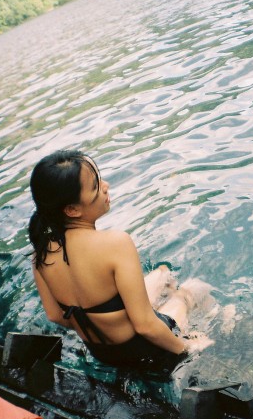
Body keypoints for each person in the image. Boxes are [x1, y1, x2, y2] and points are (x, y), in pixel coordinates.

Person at [28, 149, 208, 371]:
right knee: (192, 290)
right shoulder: (116, 243)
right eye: (95, 186)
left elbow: (55, 315)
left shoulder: (41, 255)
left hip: (104, 354)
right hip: (147, 351)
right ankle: (225, 321)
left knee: (163, 274)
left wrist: (106, 323)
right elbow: (145, 326)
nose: (106, 186)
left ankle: (165, 291)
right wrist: (188, 347)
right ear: (72, 209)